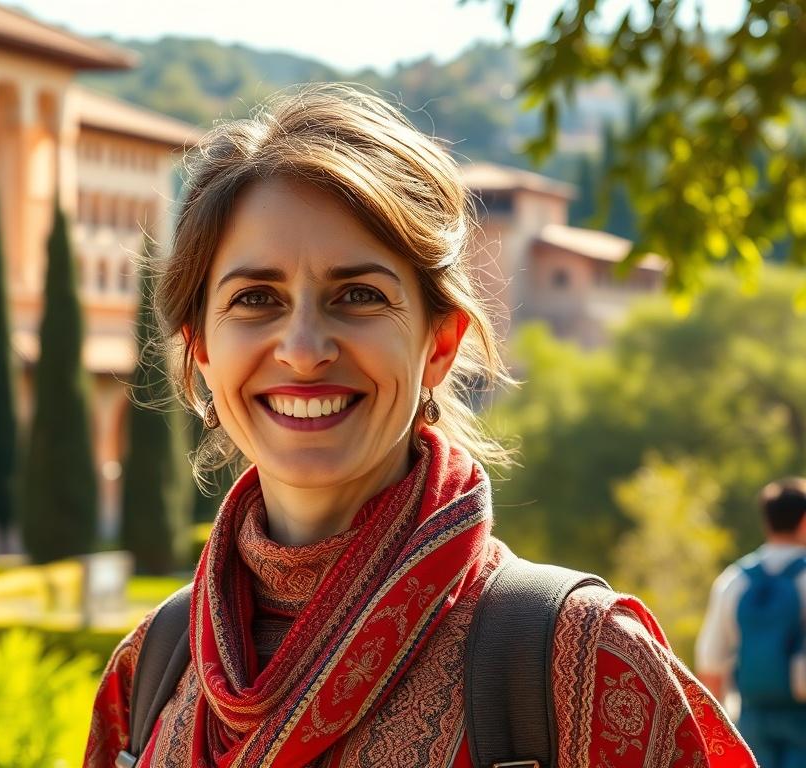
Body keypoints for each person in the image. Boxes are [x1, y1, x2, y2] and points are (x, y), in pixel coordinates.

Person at [84, 84, 754, 768]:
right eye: (256, 299)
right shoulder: (152, 671)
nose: (305, 347)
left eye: (359, 296)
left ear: (438, 342)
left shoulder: (578, 662)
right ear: (200, 347)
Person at [697, 478, 806, 768]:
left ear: (766, 521)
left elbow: (710, 662)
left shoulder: (734, 579)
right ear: (804, 521)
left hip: (751, 718)